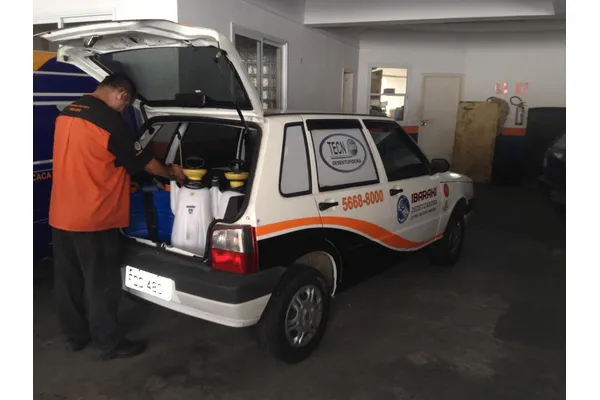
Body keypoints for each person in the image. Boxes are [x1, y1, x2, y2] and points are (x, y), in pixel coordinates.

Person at [48, 73, 186, 360]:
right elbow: (145, 164)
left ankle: (75, 337)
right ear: (122, 95)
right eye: (125, 105)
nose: (123, 110)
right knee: (101, 283)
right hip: (94, 216)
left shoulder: (69, 111)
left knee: (68, 280)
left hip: (61, 213)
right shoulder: (109, 121)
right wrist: (171, 173)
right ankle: (107, 343)